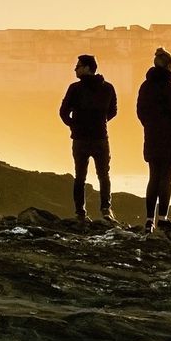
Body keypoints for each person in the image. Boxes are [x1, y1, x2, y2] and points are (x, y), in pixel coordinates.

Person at [136, 47, 171, 233]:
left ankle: (149, 220)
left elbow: (140, 112)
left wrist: (150, 126)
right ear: (168, 66)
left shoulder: (145, 86)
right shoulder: (170, 87)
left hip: (152, 136)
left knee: (153, 177)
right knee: (166, 179)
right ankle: (162, 219)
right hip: (170, 139)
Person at [59, 54, 118, 222]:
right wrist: (101, 121)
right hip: (100, 137)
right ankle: (106, 210)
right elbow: (113, 111)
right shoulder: (108, 88)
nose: (75, 69)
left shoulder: (75, 88)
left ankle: (80, 213)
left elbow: (63, 111)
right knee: (103, 175)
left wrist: (74, 125)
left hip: (80, 139)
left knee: (80, 176)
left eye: (78, 66)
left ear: (87, 68)